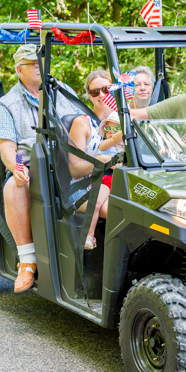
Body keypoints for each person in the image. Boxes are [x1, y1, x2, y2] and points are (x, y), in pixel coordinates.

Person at [0, 44, 81, 293]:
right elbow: (8, 150)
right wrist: (16, 168)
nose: (39, 67)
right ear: (19, 70)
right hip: (32, 166)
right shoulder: (7, 105)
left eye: (40, 62)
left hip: (68, 161)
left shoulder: (62, 92)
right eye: (33, 64)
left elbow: (82, 124)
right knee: (15, 185)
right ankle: (28, 260)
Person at [66, 70, 122, 250]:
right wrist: (104, 161)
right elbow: (75, 169)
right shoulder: (82, 123)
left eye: (106, 89)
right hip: (86, 185)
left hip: (121, 180)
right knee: (121, 211)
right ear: (89, 96)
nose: (102, 95)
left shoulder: (125, 119)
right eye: (95, 91)